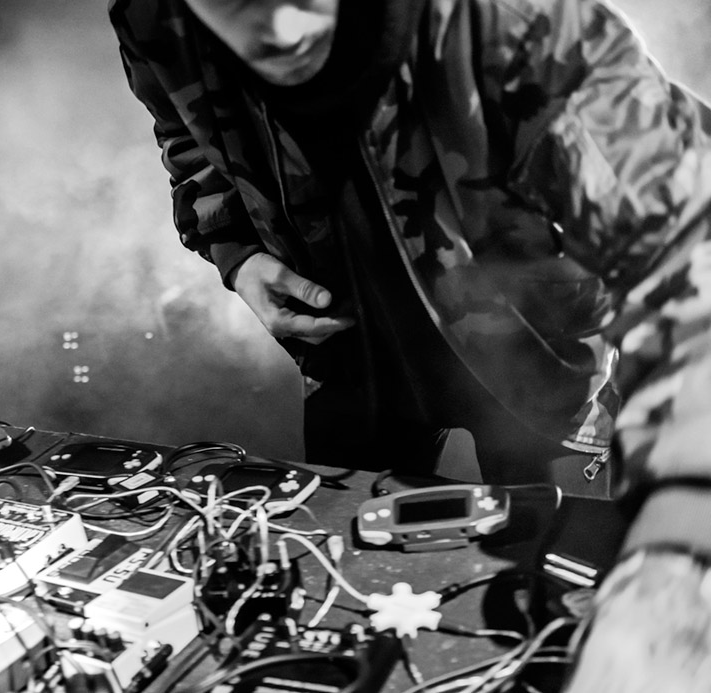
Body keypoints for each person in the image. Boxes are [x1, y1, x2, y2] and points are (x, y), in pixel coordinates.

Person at [108, 0, 711, 689]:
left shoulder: (511, 17)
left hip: (539, 359)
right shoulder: (151, 14)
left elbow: (691, 248)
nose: (279, 31)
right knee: (336, 596)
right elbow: (185, 137)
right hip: (350, 361)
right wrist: (237, 254)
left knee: (557, 610)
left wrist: (679, 547)